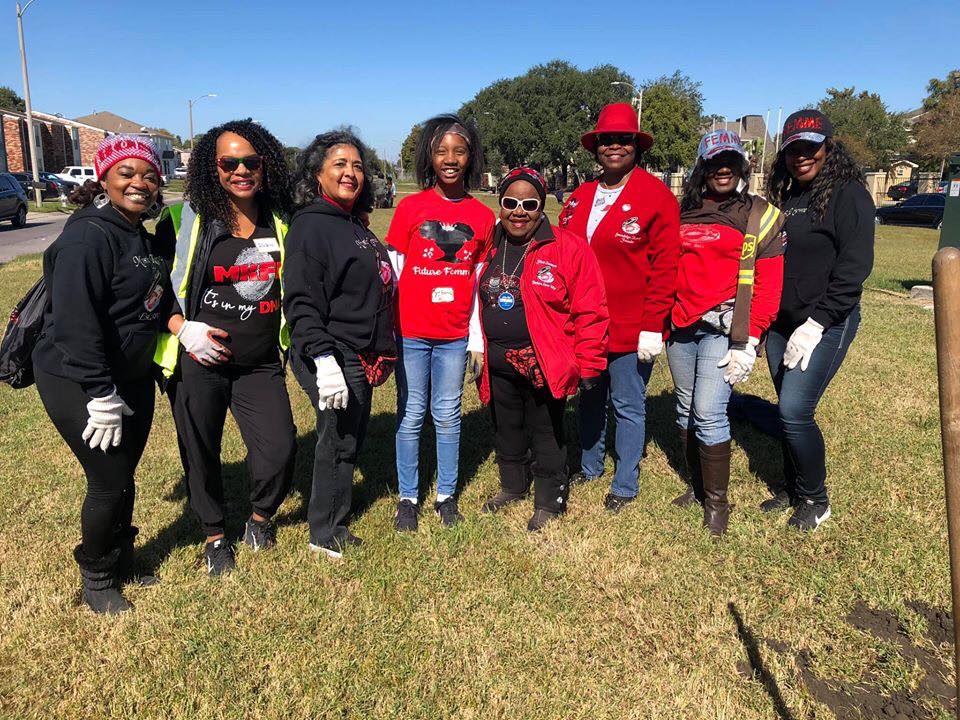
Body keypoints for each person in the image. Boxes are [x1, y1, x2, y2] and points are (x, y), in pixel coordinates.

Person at [33, 136, 174, 613]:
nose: (140, 183)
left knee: (125, 472)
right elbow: (75, 324)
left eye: (149, 175)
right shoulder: (88, 236)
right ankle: (96, 577)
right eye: (127, 173)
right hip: (80, 379)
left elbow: (155, 299)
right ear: (104, 178)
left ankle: (123, 557)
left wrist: (180, 326)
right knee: (109, 478)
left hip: (130, 374)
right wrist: (99, 393)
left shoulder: (138, 231)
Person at [154, 119, 297, 575]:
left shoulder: (281, 216)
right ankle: (215, 535)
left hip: (259, 364)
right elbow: (149, 286)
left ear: (265, 164)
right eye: (228, 161)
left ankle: (259, 518)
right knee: (200, 451)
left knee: (279, 449)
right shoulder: (184, 217)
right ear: (210, 167)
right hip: (200, 360)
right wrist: (181, 327)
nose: (240, 170)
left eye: (250, 161)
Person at [559, 102, 680, 511]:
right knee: (590, 396)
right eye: (606, 140)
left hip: (631, 324)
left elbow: (665, 268)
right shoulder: (580, 196)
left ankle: (625, 481)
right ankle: (590, 465)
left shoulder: (656, 196)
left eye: (623, 140)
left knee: (627, 402)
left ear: (636, 145)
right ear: (596, 147)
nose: (614, 147)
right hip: (585, 323)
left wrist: (653, 325)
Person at [283, 130, 397, 558]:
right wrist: (324, 359)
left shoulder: (351, 222)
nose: (351, 173)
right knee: (338, 437)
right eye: (339, 165)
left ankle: (333, 517)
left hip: (357, 348)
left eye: (357, 166)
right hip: (331, 349)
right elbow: (301, 300)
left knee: (349, 434)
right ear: (317, 175)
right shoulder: (311, 225)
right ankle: (325, 530)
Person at [666, 130, 785, 536]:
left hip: (724, 327)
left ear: (742, 167)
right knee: (684, 408)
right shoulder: (685, 210)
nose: (722, 169)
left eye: (730, 162)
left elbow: (769, 287)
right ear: (702, 166)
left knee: (710, 411)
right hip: (681, 325)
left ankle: (718, 504)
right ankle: (698, 489)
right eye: (714, 162)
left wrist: (749, 340)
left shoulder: (759, 215)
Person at [477, 168, 609, 530]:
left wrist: (590, 363)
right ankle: (512, 486)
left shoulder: (568, 248)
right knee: (507, 426)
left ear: (542, 207)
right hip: (497, 360)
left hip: (541, 361)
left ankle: (551, 500)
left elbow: (591, 309)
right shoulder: (489, 243)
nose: (519, 211)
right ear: (500, 205)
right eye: (511, 202)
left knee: (545, 430)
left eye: (529, 203)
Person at [761, 109, 874, 531]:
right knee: (784, 407)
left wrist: (816, 325)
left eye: (811, 147)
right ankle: (792, 487)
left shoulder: (849, 195)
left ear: (828, 147)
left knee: (794, 410)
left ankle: (816, 499)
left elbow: (853, 269)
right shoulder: (789, 198)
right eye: (793, 150)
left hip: (825, 323)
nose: (801, 156)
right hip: (780, 323)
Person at [385, 114, 495, 532]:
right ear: (429, 157)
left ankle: (446, 494)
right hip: (410, 333)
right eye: (441, 150)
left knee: (448, 414)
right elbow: (393, 275)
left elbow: (478, 282)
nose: (450, 158)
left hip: (452, 337)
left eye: (459, 151)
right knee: (412, 413)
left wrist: (476, 341)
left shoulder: (483, 217)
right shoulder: (410, 208)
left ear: (471, 157)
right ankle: (408, 497)